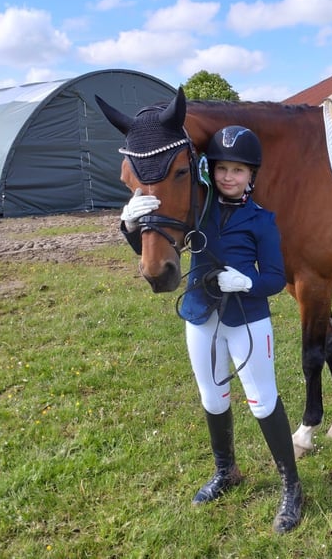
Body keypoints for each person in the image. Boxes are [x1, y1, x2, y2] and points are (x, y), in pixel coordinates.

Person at [120, 125, 303, 534]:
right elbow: (158, 240)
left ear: (251, 176)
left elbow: (276, 278)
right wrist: (132, 225)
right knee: (212, 397)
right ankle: (226, 471)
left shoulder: (262, 222)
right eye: (222, 168)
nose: (228, 177)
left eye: (238, 170)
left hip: (246, 317)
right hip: (201, 313)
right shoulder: (196, 209)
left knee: (262, 399)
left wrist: (247, 282)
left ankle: (292, 486)